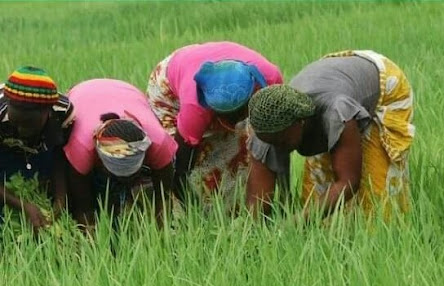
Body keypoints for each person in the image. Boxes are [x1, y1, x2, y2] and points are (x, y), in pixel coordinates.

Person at [247, 50, 415, 218]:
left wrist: (295, 224)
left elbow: (349, 182)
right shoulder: (266, 124)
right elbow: (258, 200)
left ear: (301, 122)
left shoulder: (335, 112)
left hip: (382, 84)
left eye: (282, 142)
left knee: (376, 191)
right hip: (331, 77)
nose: (278, 149)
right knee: (317, 194)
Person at [147, 41, 283, 209]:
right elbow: (179, 168)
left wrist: (283, 197)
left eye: (240, 113)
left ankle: (237, 211)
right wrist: (192, 211)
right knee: (194, 162)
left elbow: (278, 143)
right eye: (225, 117)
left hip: (215, 65)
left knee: (240, 154)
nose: (234, 123)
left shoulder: (269, 82)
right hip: (172, 87)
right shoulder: (195, 105)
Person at [65, 79, 178, 228]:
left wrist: (162, 233)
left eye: (131, 172)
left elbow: (163, 197)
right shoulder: (81, 147)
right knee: (97, 193)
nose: (125, 179)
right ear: (98, 157)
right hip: (82, 94)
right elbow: (84, 209)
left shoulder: (158, 143)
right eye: (118, 173)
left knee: (144, 190)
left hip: (128, 92)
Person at [0, 66, 74, 234]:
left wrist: (60, 199)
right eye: (16, 122)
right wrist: (22, 206)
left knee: (42, 178)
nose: (21, 131)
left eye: (28, 124)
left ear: (47, 113)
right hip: (2, 140)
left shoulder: (63, 113)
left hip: (41, 140)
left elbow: (59, 156)